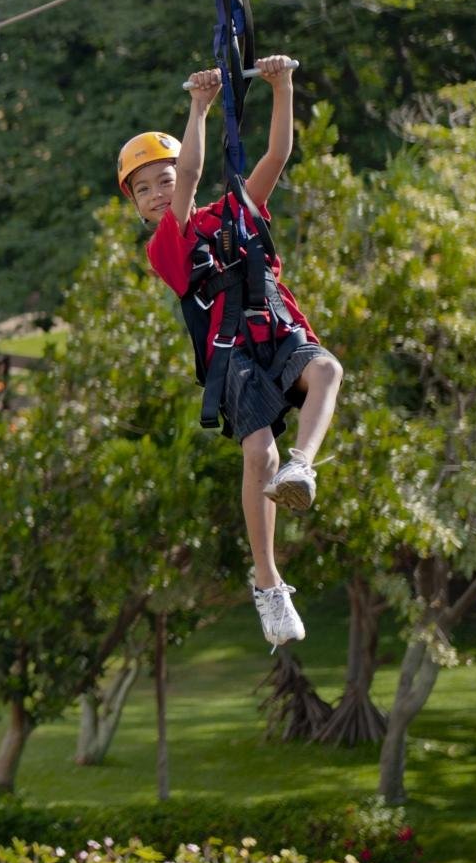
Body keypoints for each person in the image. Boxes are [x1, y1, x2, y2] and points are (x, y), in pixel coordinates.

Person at [118, 57, 343, 651]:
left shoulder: (233, 214)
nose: (159, 193)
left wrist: (282, 86)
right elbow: (191, 176)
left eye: (161, 181)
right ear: (138, 208)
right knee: (257, 457)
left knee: (327, 370)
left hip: (273, 329)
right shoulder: (167, 247)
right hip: (233, 356)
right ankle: (268, 582)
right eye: (145, 190)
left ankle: (306, 464)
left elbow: (276, 157)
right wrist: (199, 107)